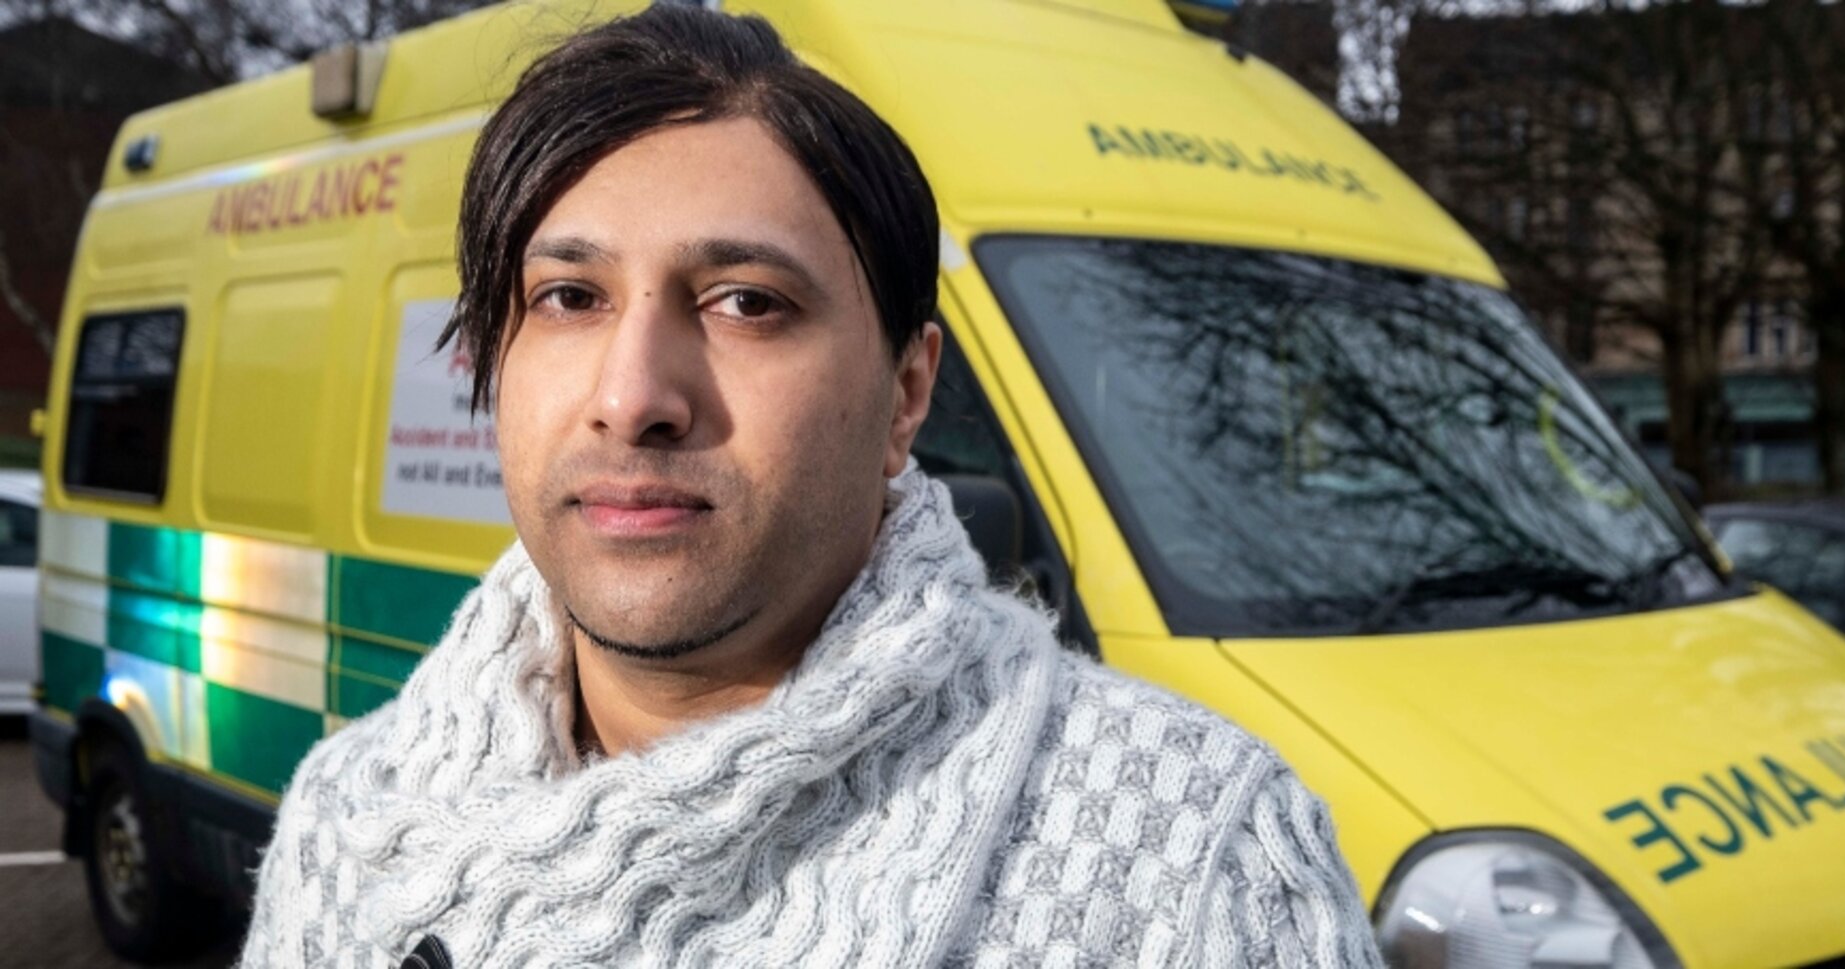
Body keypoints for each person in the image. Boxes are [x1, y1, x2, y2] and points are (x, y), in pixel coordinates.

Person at [240, 6, 1383, 966]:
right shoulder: (348, 815)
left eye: (747, 301)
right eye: (568, 298)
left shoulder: (1194, 866)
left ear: (905, 392)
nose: (633, 394)